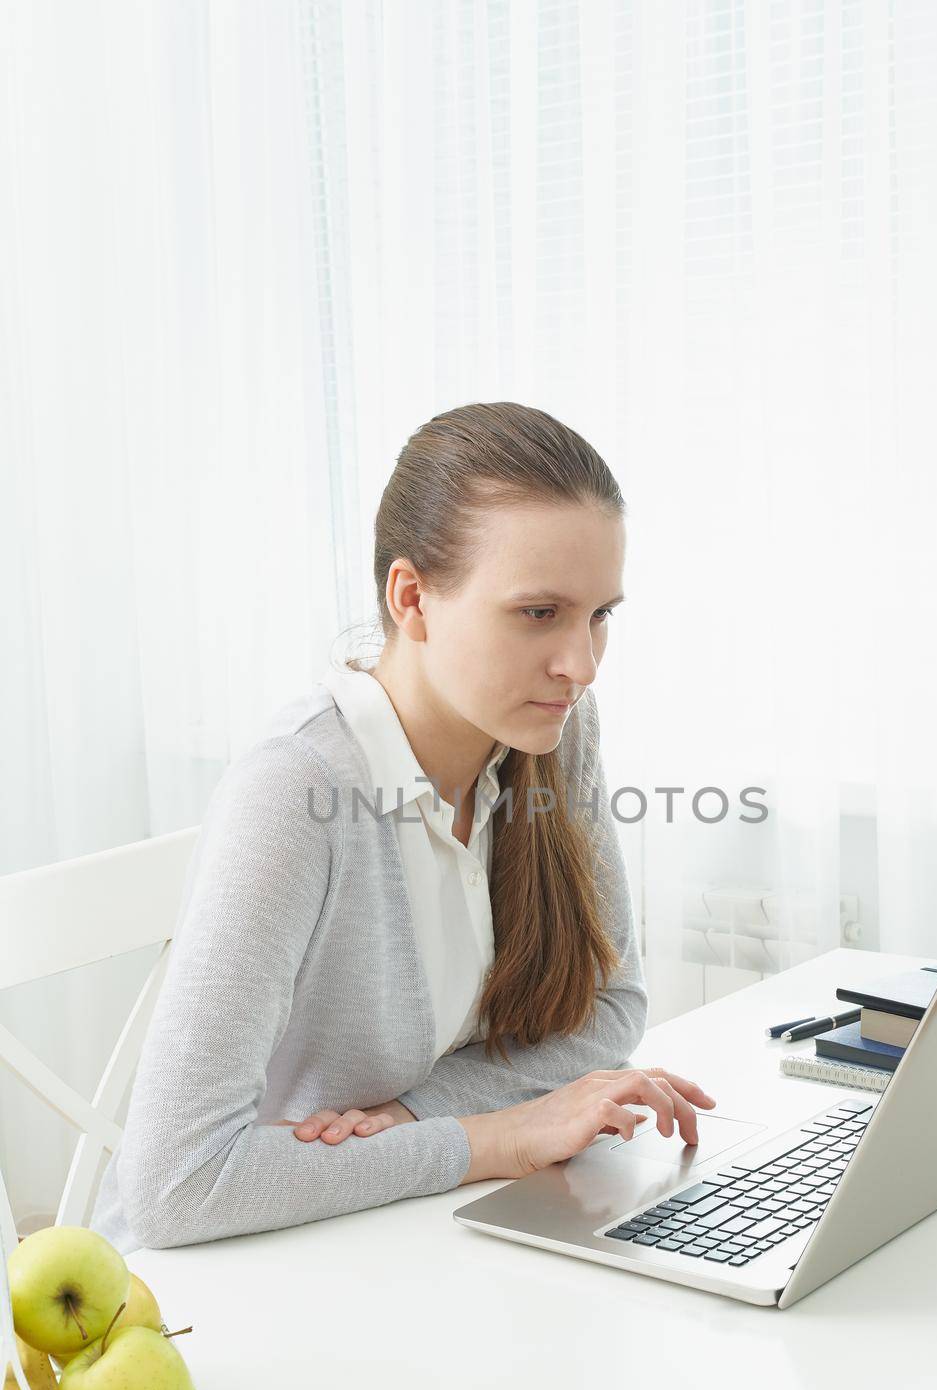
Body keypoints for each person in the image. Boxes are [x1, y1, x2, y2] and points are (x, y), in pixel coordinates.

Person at [91, 401, 714, 1251]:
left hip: (402, 1233)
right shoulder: (298, 787)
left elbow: (608, 1009)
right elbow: (177, 1185)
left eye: (600, 613)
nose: (581, 664)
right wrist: (496, 1136)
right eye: (539, 613)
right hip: (230, 1278)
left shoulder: (553, 735)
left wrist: (417, 1117)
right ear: (412, 597)